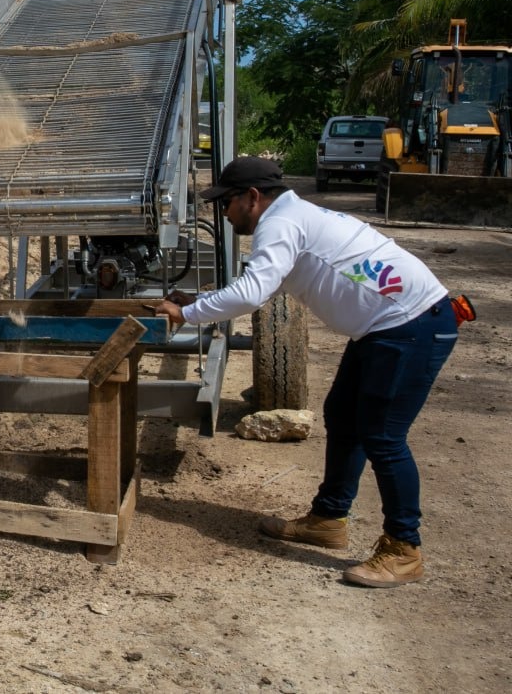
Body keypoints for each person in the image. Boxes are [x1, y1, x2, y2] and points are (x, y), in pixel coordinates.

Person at [154, 156, 459, 588]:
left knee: (384, 437)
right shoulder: (293, 216)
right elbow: (265, 282)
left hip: (409, 326)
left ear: (253, 198)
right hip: (388, 327)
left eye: (226, 202)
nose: (223, 212)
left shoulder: (280, 223)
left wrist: (187, 314)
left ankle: (403, 548)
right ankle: (329, 519)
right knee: (343, 416)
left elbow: (252, 293)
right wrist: (200, 300)